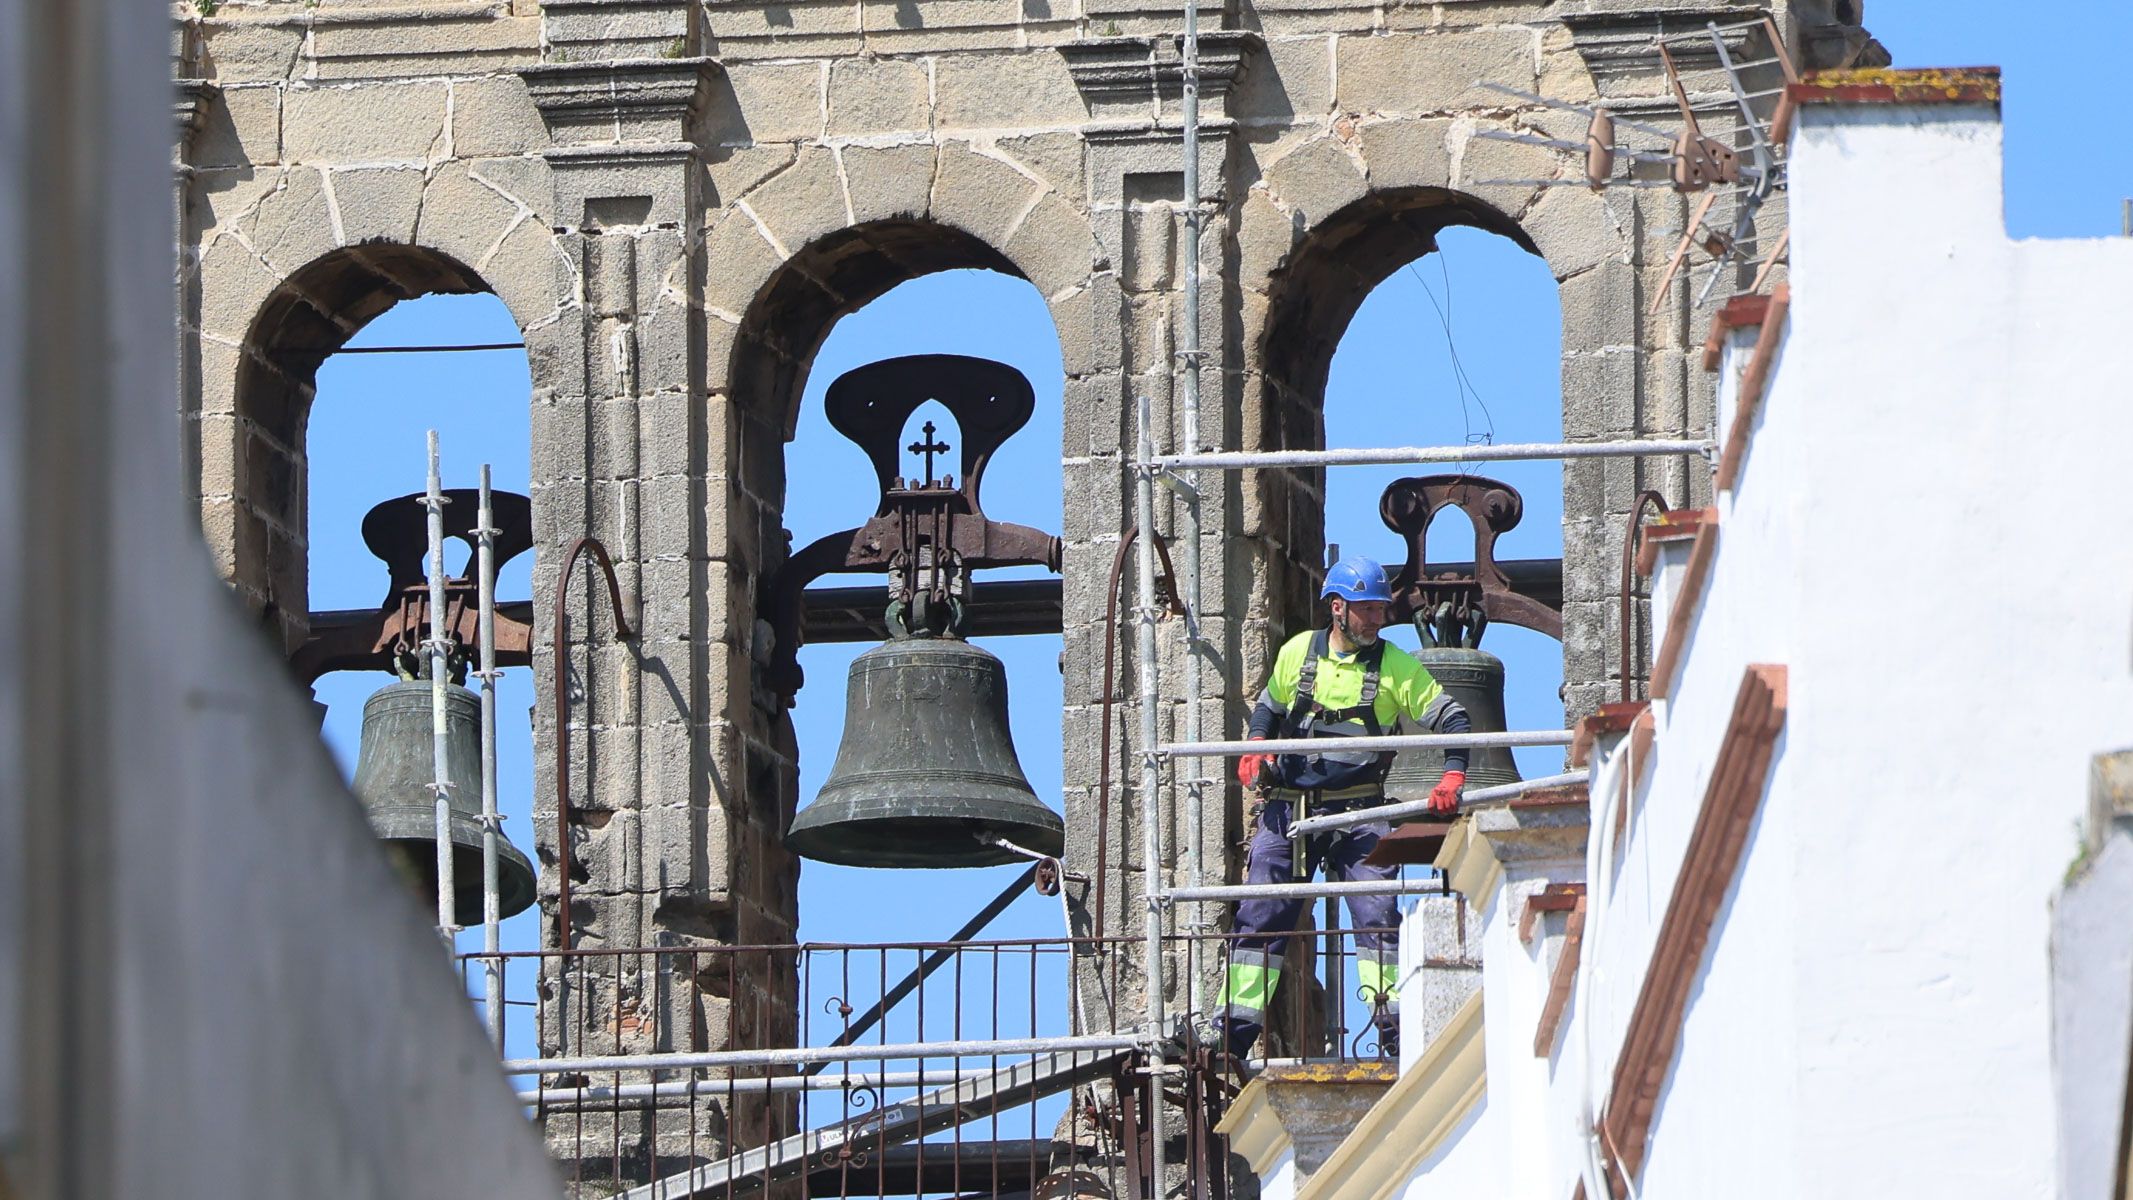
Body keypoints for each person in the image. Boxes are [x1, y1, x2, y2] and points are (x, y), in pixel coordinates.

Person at [1215, 554, 1471, 1060]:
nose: (1377, 619)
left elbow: (1454, 717)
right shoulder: (1297, 654)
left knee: (1377, 911)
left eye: (1380, 609)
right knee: (1260, 911)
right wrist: (1257, 744)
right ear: (1338, 608)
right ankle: (1232, 1037)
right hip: (1292, 811)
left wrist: (1454, 772)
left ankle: (1395, 1032)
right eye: (1367, 610)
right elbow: (1267, 708)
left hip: (1358, 813)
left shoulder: (1395, 665)